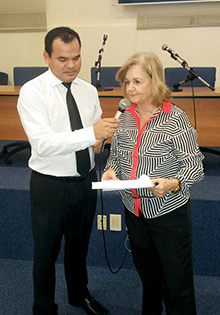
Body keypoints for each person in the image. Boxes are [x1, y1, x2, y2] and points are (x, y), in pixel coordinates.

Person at [17, 26, 120, 315]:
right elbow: (43, 143)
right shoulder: (33, 92)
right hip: (50, 185)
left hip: (84, 181)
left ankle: (79, 295)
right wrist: (91, 133)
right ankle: (44, 306)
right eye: (63, 59)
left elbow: (95, 131)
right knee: (46, 254)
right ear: (47, 57)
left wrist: (99, 140)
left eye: (76, 57)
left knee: (79, 247)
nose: (71, 65)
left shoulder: (88, 91)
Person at [101, 52, 204, 315]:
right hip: (134, 210)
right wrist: (111, 169)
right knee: (148, 278)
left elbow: (195, 166)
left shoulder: (174, 119)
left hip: (167, 212)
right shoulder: (124, 116)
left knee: (176, 282)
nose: (130, 88)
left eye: (137, 81)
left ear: (154, 81)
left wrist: (173, 183)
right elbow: (116, 154)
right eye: (126, 82)